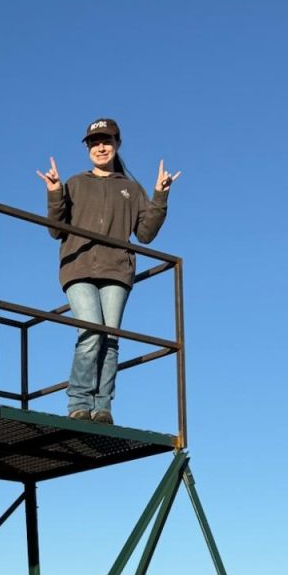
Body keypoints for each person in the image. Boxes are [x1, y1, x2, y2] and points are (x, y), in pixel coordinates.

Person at [38, 118, 179, 424]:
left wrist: (160, 195)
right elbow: (54, 230)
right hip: (78, 266)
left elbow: (145, 234)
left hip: (117, 271)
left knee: (111, 338)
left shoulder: (131, 188)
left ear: (117, 145)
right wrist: (53, 192)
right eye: (94, 142)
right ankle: (78, 402)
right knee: (91, 331)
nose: (100, 147)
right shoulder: (74, 183)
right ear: (88, 148)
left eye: (106, 141)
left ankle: (102, 406)